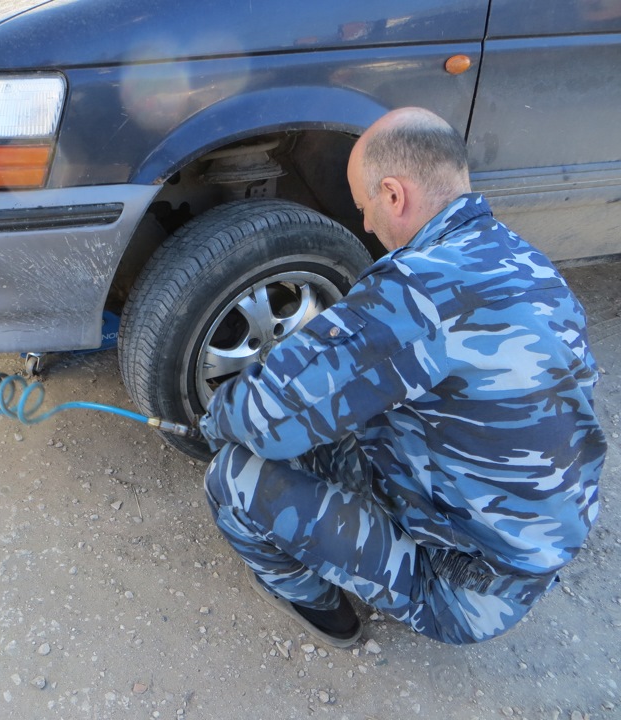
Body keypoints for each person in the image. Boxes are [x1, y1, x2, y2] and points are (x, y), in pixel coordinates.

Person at [199, 107, 606, 646]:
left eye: (364, 207)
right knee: (340, 418)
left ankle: (324, 609)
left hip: (461, 589)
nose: (366, 225)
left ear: (393, 194)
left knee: (232, 476)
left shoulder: (418, 290)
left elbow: (269, 417)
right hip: (522, 550)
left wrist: (213, 420)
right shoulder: (526, 264)